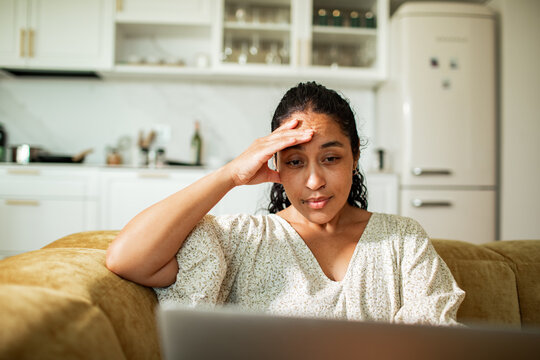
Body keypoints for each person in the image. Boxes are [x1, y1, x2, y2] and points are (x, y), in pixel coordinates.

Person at [106, 82, 465, 325]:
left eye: (331, 158)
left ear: (355, 156)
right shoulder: (240, 240)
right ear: (276, 164)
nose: (314, 181)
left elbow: (432, 343)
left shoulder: (402, 240)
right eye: (295, 162)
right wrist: (230, 174)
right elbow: (127, 258)